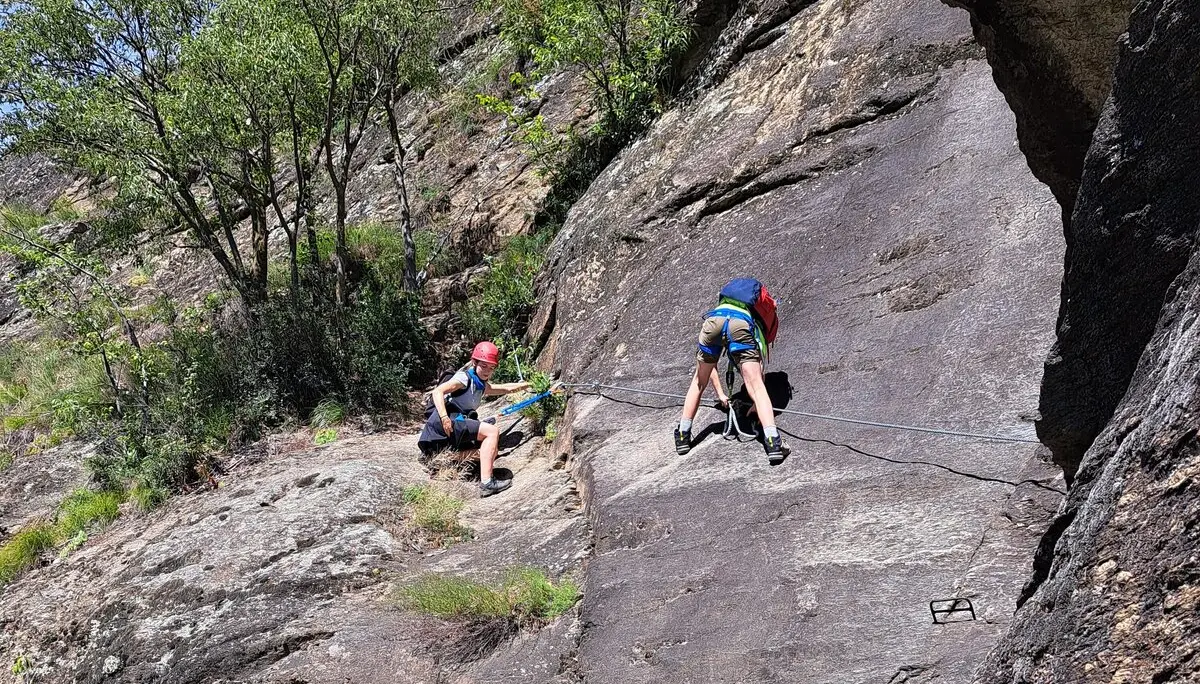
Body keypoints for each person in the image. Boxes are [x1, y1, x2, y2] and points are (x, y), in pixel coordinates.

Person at [675, 278, 788, 464]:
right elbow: (757, 375)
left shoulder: (723, 306)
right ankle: (773, 442)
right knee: (758, 387)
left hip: (713, 322)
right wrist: (755, 403)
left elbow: (709, 369)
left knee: (698, 381)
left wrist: (720, 393)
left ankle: (682, 435)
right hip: (741, 325)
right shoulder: (756, 322)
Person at [418, 341, 531, 496]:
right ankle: (487, 483)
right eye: (483, 365)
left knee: (491, 452)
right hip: (448, 421)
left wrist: (529, 385)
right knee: (492, 432)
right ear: (474, 362)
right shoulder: (464, 379)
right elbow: (437, 392)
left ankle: (441, 458)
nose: (487, 371)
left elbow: (505, 388)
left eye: (491, 368)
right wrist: (444, 417)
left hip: (456, 423)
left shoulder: (481, 385)